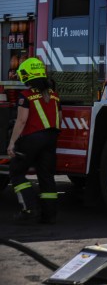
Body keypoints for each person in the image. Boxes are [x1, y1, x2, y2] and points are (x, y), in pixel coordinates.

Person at [7, 57, 61, 224]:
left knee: (16, 172)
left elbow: (21, 121)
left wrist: (12, 143)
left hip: (31, 139)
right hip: (51, 138)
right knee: (46, 175)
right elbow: (59, 117)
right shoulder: (53, 95)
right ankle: (49, 214)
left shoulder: (25, 96)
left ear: (27, 75)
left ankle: (30, 209)